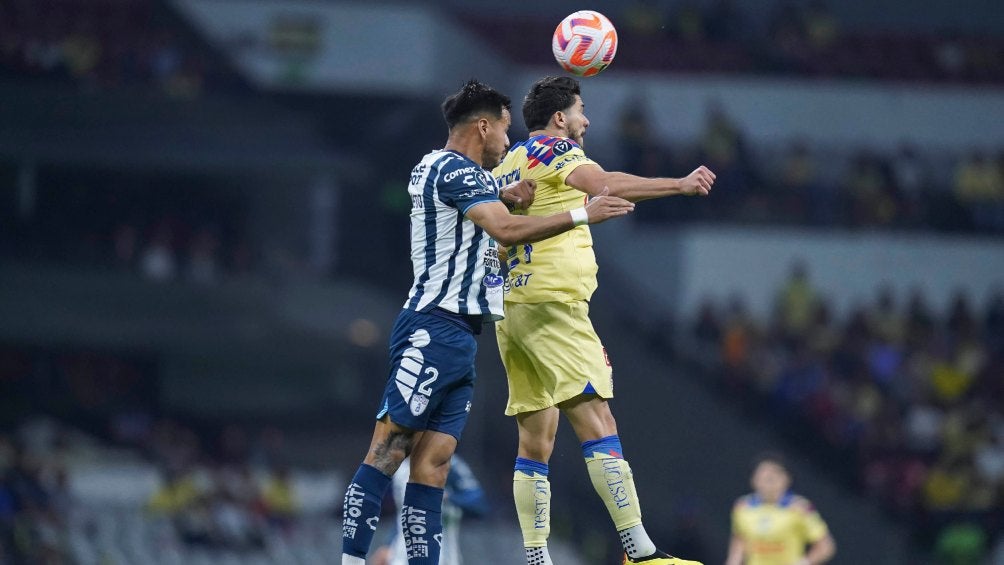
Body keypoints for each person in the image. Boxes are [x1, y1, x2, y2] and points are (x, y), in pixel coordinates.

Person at [340, 79, 636, 565]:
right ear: (483, 126)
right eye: (503, 129)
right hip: (430, 325)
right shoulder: (451, 168)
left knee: (433, 466)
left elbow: (485, 205)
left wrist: (505, 190)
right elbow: (504, 227)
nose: (507, 141)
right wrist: (582, 214)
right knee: (389, 449)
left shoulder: (459, 175)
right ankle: (350, 561)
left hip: (461, 336)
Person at [490, 75, 716, 565]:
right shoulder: (557, 151)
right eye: (580, 110)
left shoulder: (509, 161)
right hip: (555, 306)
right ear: (558, 118)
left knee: (535, 438)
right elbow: (605, 183)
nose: (586, 120)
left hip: (513, 308)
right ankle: (642, 552)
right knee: (598, 421)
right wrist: (678, 184)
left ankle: (536, 557)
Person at [372, 454, 488, 565]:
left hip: (442, 558)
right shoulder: (401, 468)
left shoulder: (449, 463)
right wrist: (388, 545)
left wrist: (447, 497)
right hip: (400, 558)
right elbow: (403, 514)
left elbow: (479, 504)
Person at [726, 453, 836, 565]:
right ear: (753, 479)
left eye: (773, 476)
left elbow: (826, 546)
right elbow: (739, 541)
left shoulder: (799, 508)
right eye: (763, 476)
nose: (768, 480)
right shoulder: (743, 507)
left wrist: (803, 563)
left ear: (786, 479)